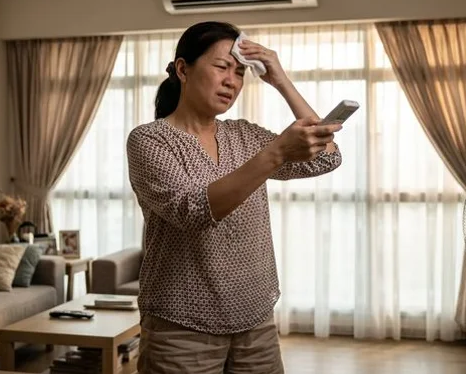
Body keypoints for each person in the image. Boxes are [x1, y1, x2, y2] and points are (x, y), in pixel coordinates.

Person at [126, 21, 343, 374]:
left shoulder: (245, 135)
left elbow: (327, 156)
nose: (232, 81)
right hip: (180, 330)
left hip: (256, 322)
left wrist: (281, 80)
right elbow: (192, 211)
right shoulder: (150, 141)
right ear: (183, 69)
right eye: (222, 67)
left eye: (240, 73)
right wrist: (275, 154)